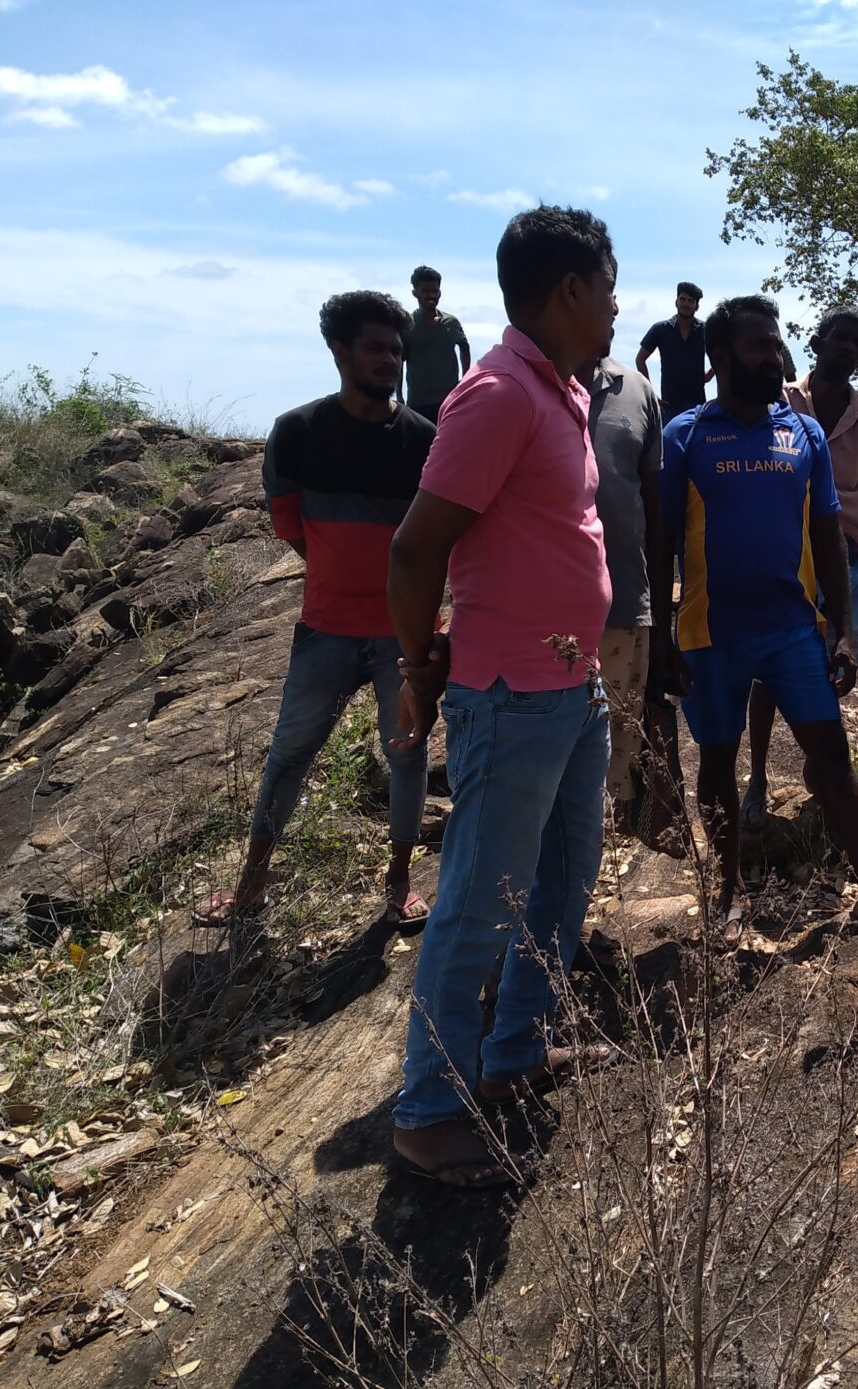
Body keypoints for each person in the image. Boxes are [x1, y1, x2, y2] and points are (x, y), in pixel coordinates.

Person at [386, 206, 618, 1187]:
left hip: (572, 685)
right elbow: (415, 550)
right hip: (509, 696)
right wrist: (419, 669)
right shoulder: (496, 394)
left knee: (563, 879)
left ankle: (516, 1048)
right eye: (608, 289)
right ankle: (429, 1109)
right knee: (480, 901)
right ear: (570, 291)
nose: (616, 309)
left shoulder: (561, 390)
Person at [655, 294, 858, 949]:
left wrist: (844, 630)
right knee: (716, 763)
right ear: (721, 357)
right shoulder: (685, 434)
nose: (775, 357)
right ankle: (727, 896)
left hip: (793, 632)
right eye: (759, 346)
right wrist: (660, 637)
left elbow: (829, 534)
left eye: (777, 345)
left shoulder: (802, 434)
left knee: (831, 756)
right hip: (710, 633)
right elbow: (658, 543)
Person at [195, 291, 434, 932]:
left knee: (407, 754)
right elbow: (290, 526)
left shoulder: (422, 440)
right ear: (339, 352)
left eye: (396, 350)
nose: (390, 360)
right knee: (289, 755)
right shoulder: (297, 432)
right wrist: (341, 571)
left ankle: (399, 881)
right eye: (375, 348)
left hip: (402, 634)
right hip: (326, 628)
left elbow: (436, 539)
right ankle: (250, 886)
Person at [741, 306, 858, 832]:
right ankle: (757, 778)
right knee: (767, 671)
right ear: (818, 341)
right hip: (784, 554)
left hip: (847, 557)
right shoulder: (781, 400)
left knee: (836, 666)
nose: (850, 349)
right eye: (841, 338)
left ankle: (817, 765)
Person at [577, 345, 679, 848]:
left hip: (624, 607)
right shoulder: (516, 385)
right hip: (539, 621)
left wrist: (660, 625)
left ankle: (589, 879)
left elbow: (655, 514)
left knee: (613, 764)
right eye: (605, 302)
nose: (614, 309)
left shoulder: (638, 392)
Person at [402, 265, 471, 421]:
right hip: (418, 402)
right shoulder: (408, 324)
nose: (431, 295)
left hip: (449, 400)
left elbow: (464, 348)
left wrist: (465, 380)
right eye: (426, 291)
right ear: (415, 292)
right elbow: (399, 360)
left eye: (435, 291)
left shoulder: (451, 322)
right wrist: (399, 395)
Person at [635, 281, 708, 421]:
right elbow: (640, 359)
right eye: (682, 299)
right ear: (676, 302)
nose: (686, 304)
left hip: (697, 406)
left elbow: (723, 353)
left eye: (690, 301)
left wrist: (709, 375)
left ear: (697, 306)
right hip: (669, 406)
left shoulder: (705, 330)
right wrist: (651, 395)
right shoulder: (660, 329)